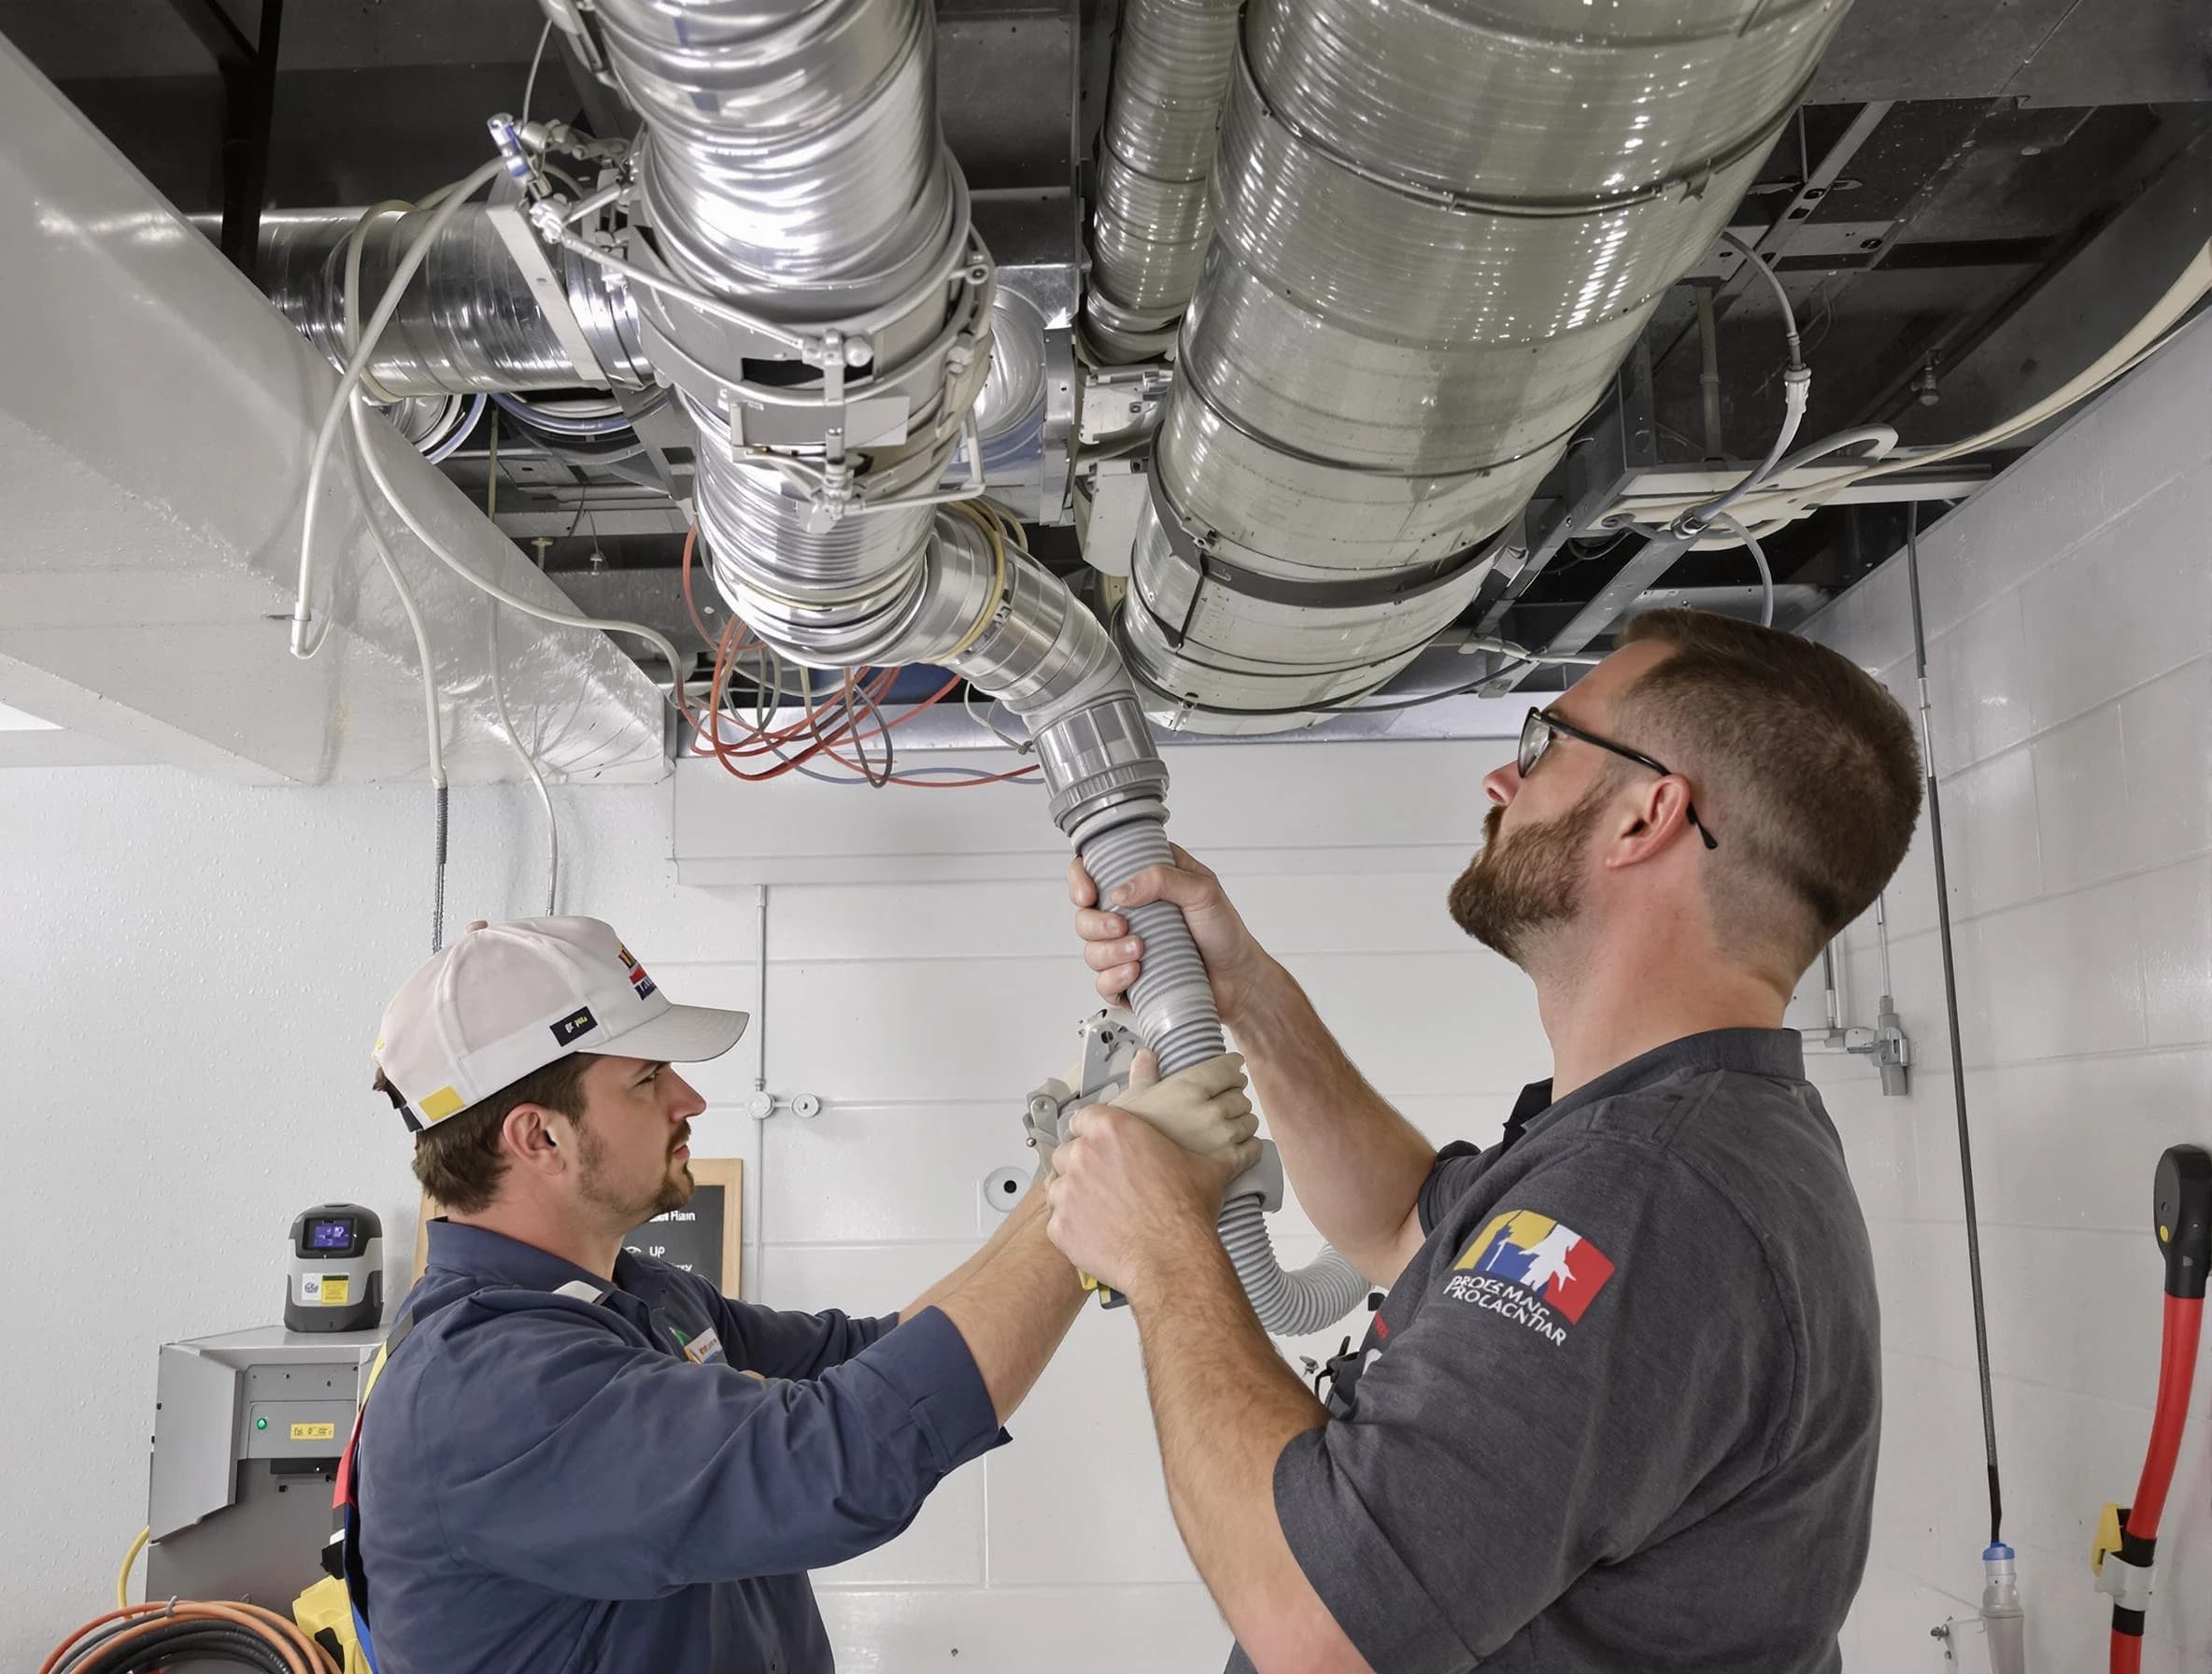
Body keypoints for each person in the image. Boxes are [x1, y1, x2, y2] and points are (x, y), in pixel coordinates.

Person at [1045, 608, 1923, 1674]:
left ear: (1647, 815)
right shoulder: (1675, 1130)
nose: (1499, 783)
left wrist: (1162, 1245)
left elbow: (1315, 1628)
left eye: (1544, 744)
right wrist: (1247, 991)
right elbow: (1394, 1219)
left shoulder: (1644, 1189)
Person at [347, 914, 1256, 1674]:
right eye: (648, 1078)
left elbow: (865, 1357)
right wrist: (1108, 1189)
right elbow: (837, 1461)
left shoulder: (632, 1294)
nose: (690, 1101)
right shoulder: (485, 1387)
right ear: (538, 1136)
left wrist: (1074, 1161)